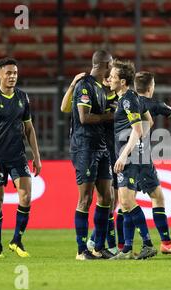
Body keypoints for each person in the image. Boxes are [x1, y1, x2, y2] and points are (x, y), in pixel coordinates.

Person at [0, 57, 42, 259]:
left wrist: (37, 157)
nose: (12, 76)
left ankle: (16, 240)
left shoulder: (23, 97)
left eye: (15, 72)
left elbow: (29, 129)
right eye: (8, 73)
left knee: (26, 197)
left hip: (18, 157)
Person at [61, 73, 120, 255]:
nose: (110, 79)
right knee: (91, 199)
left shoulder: (118, 97)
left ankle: (100, 245)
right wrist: (72, 85)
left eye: (113, 76)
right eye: (108, 76)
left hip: (112, 151)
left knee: (109, 200)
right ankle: (89, 246)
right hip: (91, 148)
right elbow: (65, 108)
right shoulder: (92, 92)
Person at [107, 60, 157, 260]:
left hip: (128, 157)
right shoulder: (127, 98)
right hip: (131, 154)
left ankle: (147, 244)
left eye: (113, 76)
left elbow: (137, 130)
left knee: (127, 201)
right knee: (124, 203)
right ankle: (127, 249)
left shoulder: (128, 99)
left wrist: (124, 154)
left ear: (122, 81)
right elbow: (149, 122)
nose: (109, 79)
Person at [134, 71, 171, 255]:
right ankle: (165, 242)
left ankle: (112, 243)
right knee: (156, 197)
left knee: (123, 200)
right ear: (150, 87)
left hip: (122, 154)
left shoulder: (126, 101)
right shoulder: (153, 104)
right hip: (141, 157)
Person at [69, 50, 115, 260]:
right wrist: (110, 116)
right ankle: (81, 250)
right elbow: (84, 117)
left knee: (107, 197)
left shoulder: (100, 88)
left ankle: (99, 246)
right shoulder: (85, 86)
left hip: (101, 146)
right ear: (105, 64)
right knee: (85, 199)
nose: (113, 68)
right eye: (112, 64)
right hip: (85, 147)